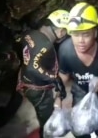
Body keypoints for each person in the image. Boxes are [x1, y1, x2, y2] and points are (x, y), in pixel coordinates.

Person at [58, 2, 98, 138]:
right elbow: (64, 75)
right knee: (80, 131)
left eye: (86, 34)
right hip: (80, 92)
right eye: (75, 34)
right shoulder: (65, 50)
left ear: (95, 32)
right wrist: (58, 96)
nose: (80, 40)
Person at [15, 9, 69, 138]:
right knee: (46, 117)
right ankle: (46, 135)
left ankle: (1, 118)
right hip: (36, 88)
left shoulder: (29, 34)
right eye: (66, 32)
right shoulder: (46, 45)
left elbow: (22, 48)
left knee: (15, 100)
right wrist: (54, 78)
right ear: (61, 31)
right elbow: (33, 67)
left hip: (21, 78)